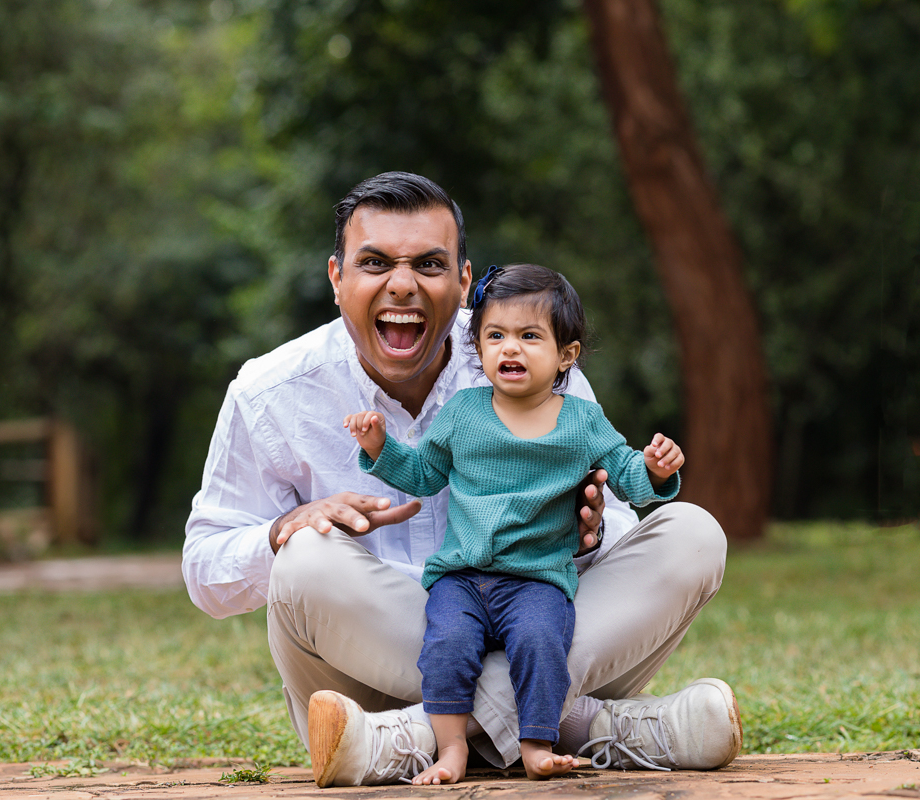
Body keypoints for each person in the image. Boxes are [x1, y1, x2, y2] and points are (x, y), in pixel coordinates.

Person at [183, 171, 741, 787]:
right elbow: (204, 571)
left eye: (428, 263)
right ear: (337, 278)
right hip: (366, 674)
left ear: (464, 281)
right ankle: (595, 728)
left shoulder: (531, 357)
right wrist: (284, 527)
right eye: (374, 263)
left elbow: (618, 524)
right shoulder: (270, 393)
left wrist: (594, 531)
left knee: (693, 534)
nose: (402, 285)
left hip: (525, 627)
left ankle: (413, 739)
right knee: (304, 558)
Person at [342, 263, 687, 784]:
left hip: (536, 580)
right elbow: (421, 473)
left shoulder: (582, 421)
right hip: (461, 577)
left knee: (542, 645)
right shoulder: (463, 413)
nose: (510, 349)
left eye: (530, 336)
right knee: (446, 647)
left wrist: (655, 471)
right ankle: (451, 749)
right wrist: (378, 447)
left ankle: (536, 745)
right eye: (496, 336)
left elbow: (627, 479)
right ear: (477, 347)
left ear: (565, 354)